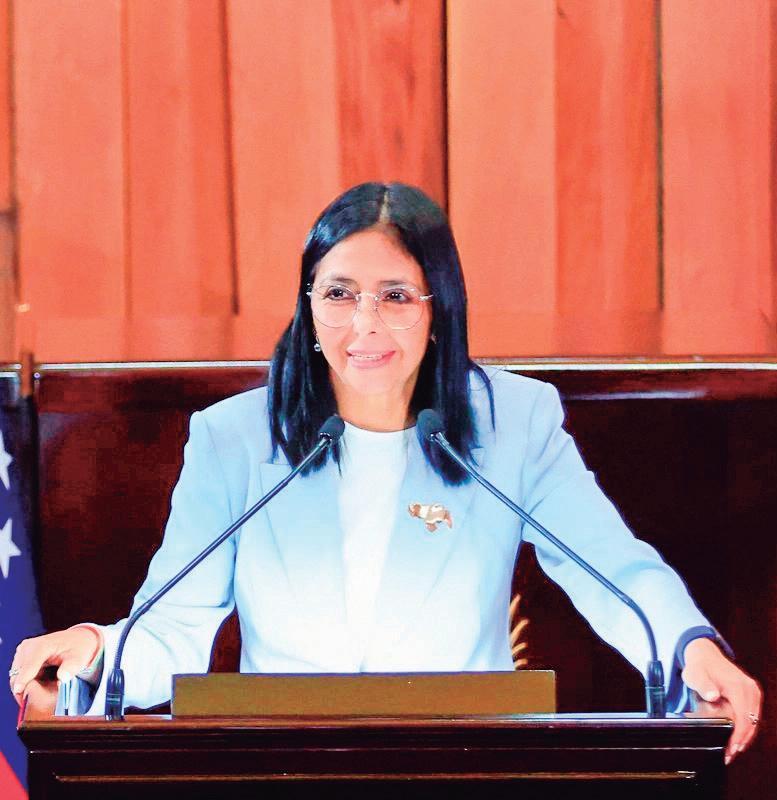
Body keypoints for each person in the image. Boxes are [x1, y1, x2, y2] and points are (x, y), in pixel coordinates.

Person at [9, 182, 761, 762]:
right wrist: (93, 652)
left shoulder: (512, 422)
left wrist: (690, 650)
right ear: (308, 306)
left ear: (439, 309)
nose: (363, 324)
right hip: (286, 769)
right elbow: (173, 627)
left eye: (395, 296)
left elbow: (613, 571)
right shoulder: (233, 438)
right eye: (338, 294)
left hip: (469, 766)